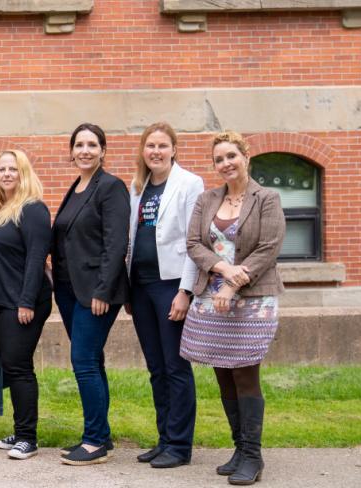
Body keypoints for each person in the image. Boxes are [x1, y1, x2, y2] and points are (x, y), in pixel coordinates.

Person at [182, 131, 285, 486]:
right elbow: (194, 243)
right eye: (219, 159)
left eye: (231, 156)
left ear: (245, 156)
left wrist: (232, 282)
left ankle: (253, 456)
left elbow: (268, 247)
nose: (225, 163)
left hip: (253, 299)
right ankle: (239, 449)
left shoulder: (267, 198)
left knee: (244, 372)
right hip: (211, 298)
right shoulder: (207, 199)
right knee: (222, 371)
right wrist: (222, 270)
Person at [125, 122, 206, 469]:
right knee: (156, 367)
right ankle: (163, 439)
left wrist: (185, 291)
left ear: (174, 149)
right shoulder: (138, 185)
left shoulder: (189, 184)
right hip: (140, 286)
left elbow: (193, 241)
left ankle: (179, 444)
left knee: (175, 366)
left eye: (162, 146)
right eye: (150, 146)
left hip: (170, 285)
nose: (155, 151)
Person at [51, 123, 130, 466]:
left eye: (92, 145)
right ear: (71, 151)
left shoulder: (110, 187)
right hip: (68, 291)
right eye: (79, 145)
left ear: (103, 150)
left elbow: (116, 244)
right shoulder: (77, 187)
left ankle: (94, 441)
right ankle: (101, 435)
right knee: (92, 361)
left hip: (96, 293)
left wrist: (103, 289)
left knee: (83, 362)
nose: (85, 150)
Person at [0, 150, 53, 460]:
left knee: (19, 368)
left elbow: (36, 258)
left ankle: (27, 438)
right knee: (9, 365)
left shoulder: (32, 209)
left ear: (24, 173)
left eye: (13, 169)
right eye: (1, 169)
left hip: (22, 302)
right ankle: (19, 432)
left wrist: (26, 301)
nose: (6, 174)